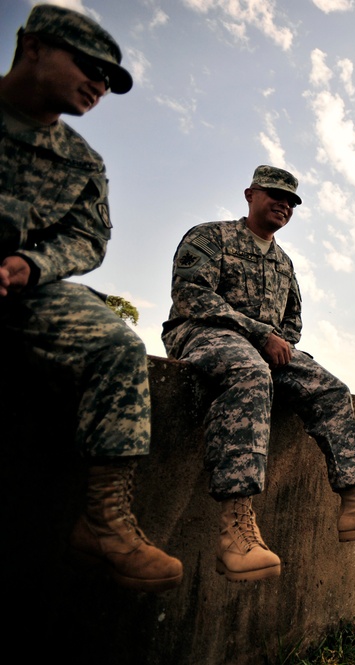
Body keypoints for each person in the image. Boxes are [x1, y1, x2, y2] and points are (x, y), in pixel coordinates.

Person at [162, 165, 355, 582]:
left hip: (264, 348)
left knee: (331, 388)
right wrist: (261, 334)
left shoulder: (283, 262)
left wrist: (280, 343)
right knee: (248, 370)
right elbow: (191, 295)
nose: (283, 204)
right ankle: (235, 530)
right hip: (203, 334)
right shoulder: (210, 236)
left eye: (291, 201)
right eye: (274, 195)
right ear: (250, 194)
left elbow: (293, 321)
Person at [0, 4, 183, 594]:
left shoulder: (82, 161)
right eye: (89, 67)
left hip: (22, 290)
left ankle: (104, 521)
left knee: (116, 343)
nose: (100, 85)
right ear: (32, 46)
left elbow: (88, 237)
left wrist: (33, 264)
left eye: (110, 80)